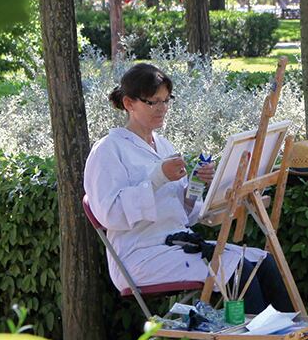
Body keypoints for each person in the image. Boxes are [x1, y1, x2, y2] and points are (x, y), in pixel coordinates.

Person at [83, 62, 290, 311]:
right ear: (129, 103)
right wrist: (158, 177)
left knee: (262, 262)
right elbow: (109, 214)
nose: (162, 109)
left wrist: (195, 184)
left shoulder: (164, 146)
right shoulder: (107, 149)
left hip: (179, 245)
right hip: (141, 254)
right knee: (238, 271)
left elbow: (186, 215)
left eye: (166, 100)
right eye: (153, 102)